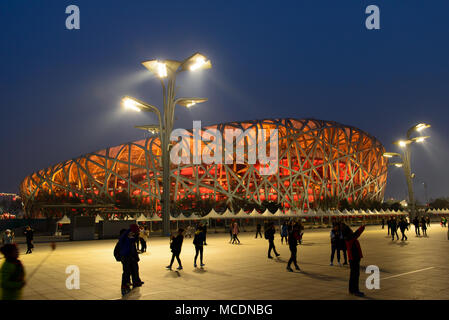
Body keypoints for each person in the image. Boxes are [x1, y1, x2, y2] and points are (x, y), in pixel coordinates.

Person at [118, 224, 143, 295]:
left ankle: (131, 283)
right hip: (126, 256)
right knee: (126, 271)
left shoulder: (128, 233)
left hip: (128, 255)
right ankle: (124, 286)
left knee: (131, 270)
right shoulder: (129, 234)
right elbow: (131, 242)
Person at [342, 223, 365, 297]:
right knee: (355, 275)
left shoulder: (348, 238)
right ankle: (355, 290)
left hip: (353, 259)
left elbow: (355, 234)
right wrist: (362, 227)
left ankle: (351, 290)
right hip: (354, 258)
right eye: (350, 230)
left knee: (353, 275)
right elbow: (357, 234)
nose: (352, 231)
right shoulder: (350, 238)